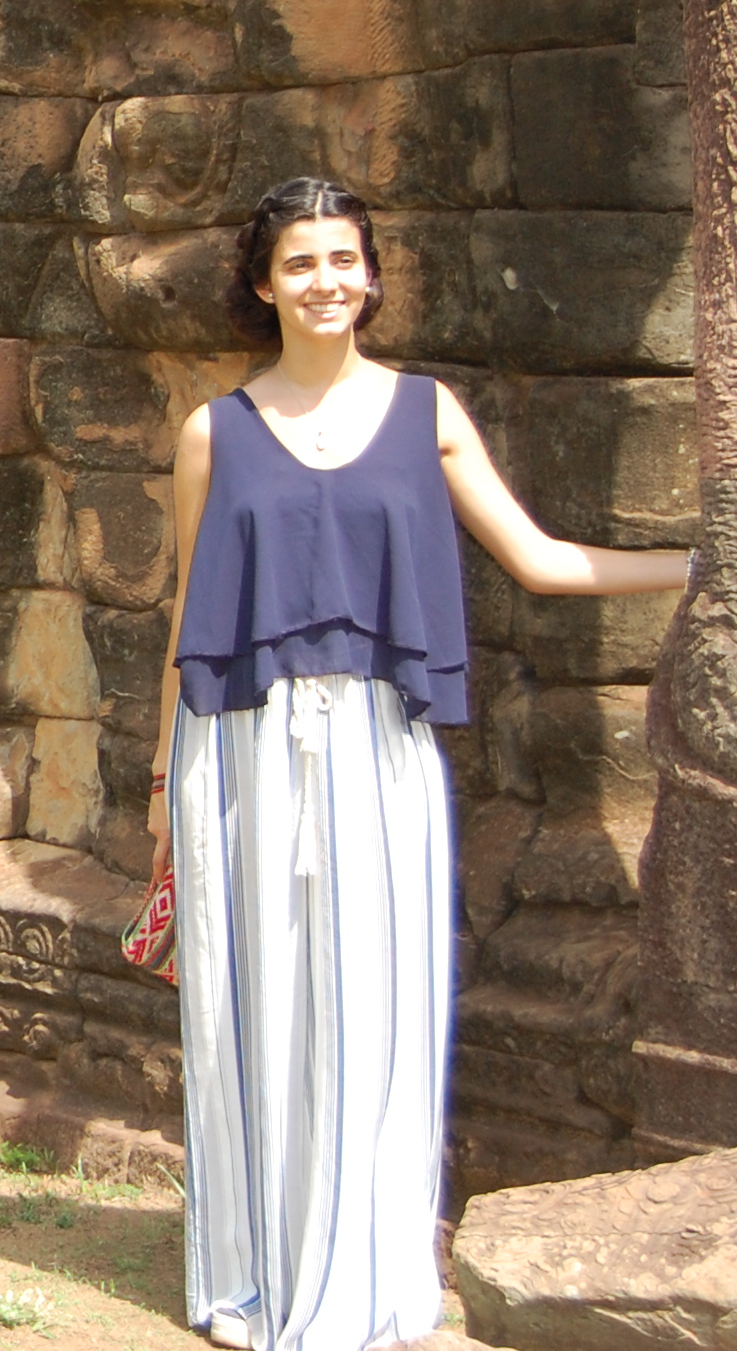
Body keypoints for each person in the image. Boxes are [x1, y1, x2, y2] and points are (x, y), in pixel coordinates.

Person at [153, 177, 691, 1351]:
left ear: (372, 273)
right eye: (298, 261)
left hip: (376, 743)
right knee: (259, 1002)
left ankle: (368, 1277)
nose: (325, 279)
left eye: (343, 257)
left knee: (374, 998)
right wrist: (161, 785)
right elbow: (186, 619)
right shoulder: (211, 433)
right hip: (235, 749)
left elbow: (539, 559)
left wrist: (703, 571)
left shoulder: (425, 412)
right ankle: (254, 1273)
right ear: (260, 282)